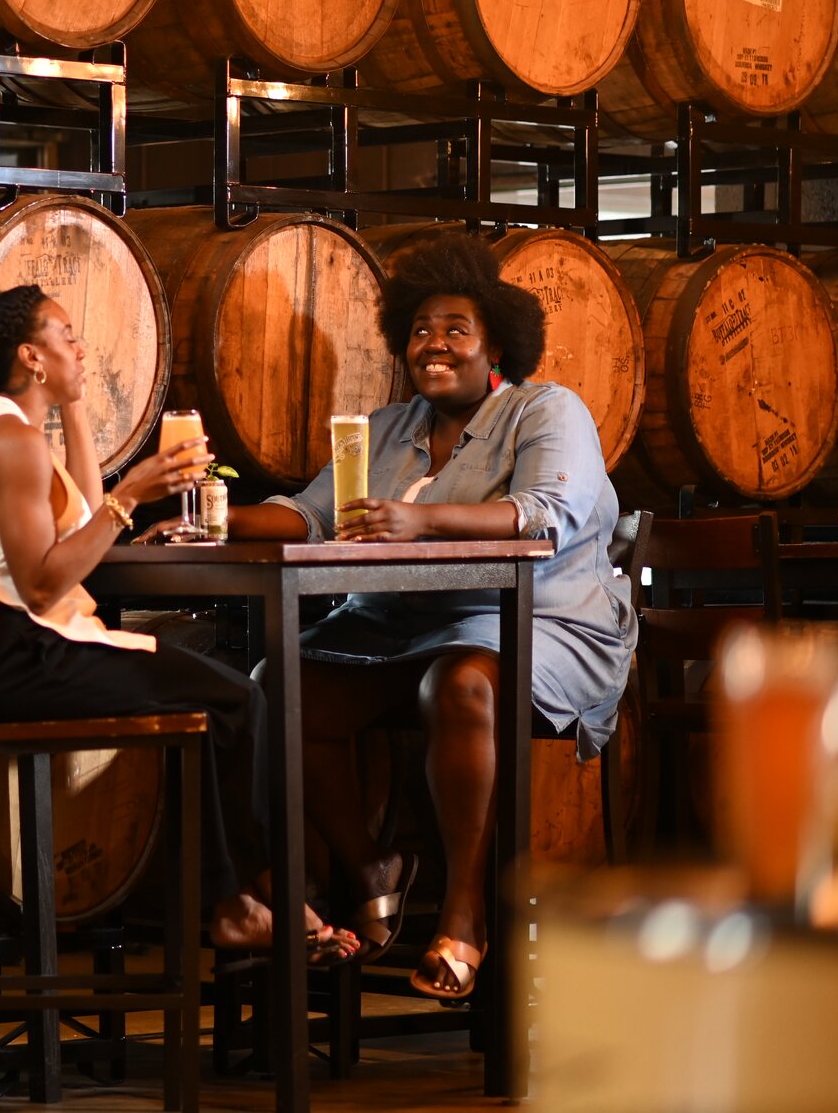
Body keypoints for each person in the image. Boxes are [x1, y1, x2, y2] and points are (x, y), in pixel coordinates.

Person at [229, 233, 636, 1000]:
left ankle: (463, 912)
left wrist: (424, 522)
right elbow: (309, 516)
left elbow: (544, 515)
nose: (433, 344)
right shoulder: (386, 429)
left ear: (495, 347)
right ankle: (368, 867)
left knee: (459, 685)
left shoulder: (545, 410)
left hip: (537, 622)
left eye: (455, 329)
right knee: (279, 679)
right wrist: (205, 513)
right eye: (419, 330)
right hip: (398, 628)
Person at [0, 283, 360, 957]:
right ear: (30, 356)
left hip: (33, 647)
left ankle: (245, 897)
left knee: (219, 704)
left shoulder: (7, 430)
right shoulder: (10, 442)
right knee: (240, 696)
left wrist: (74, 411)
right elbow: (46, 583)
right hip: (25, 657)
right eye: (66, 335)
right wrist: (132, 496)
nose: (81, 347)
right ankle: (254, 898)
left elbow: (79, 519)